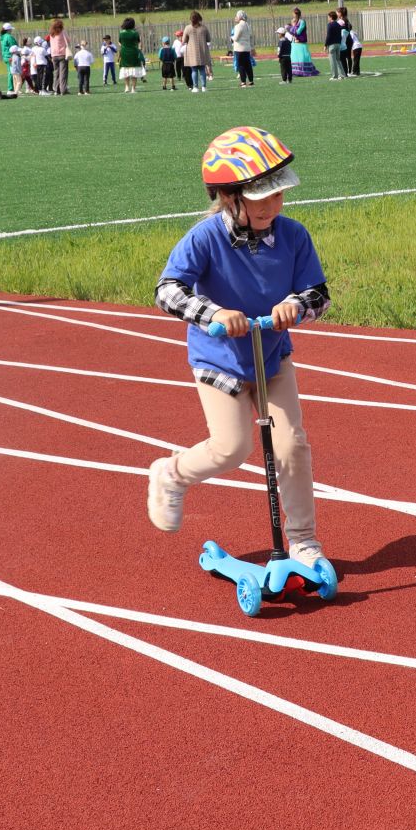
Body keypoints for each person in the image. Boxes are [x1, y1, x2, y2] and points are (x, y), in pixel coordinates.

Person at [147, 126, 330, 576]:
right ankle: (171, 473)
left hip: (272, 358)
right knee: (231, 448)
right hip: (220, 363)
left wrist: (295, 305)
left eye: (278, 194)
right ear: (230, 198)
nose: (273, 205)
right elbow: (167, 290)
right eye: (260, 196)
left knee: (291, 446)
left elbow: (318, 292)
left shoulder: (293, 236)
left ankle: (304, 542)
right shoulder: (205, 238)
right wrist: (212, 313)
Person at [182, 11, 211, 92]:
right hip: (202, 51)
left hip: (191, 52)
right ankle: (204, 87)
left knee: (194, 70)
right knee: (202, 69)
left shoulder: (188, 28)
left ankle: (195, 87)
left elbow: (183, 40)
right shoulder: (204, 28)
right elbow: (209, 39)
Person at [117, 17, 146, 94]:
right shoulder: (135, 33)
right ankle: (133, 88)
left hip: (124, 53)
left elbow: (119, 43)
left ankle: (126, 87)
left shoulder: (121, 33)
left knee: (125, 69)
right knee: (134, 70)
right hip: (134, 52)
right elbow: (138, 42)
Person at [230, 10, 255, 87]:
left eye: (236, 16)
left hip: (239, 48)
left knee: (241, 65)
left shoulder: (238, 26)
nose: (235, 17)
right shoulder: (248, 25)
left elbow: (236, 38)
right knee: (248, 65)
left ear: (240, 17)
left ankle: (243, 82)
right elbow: (250, 36)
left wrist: (231, 37)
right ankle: (251, 81)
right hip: (247, 48)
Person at [48, 18, 70, 95]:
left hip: (54, 55)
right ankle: (63, 90)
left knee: (56, 73)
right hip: (62, 54)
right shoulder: (62, 32)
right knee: (63, 73)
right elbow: (68, 40)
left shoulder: (51, 33)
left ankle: (56, 90)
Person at [323, 10, 346, 80]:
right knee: (338, 60)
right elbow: (340, 35)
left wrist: (325, 45)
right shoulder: (339, 25)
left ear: (331, 17)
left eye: (328, 17)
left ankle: (334, 76)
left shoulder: (330, 25)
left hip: (332, 45)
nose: (328, 18)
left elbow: (328, 36)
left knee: (332, 61)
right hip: (338, 44)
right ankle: (342, 75)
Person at [340, 6, 363, 77]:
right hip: (359, 46)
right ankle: (357, 71)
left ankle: (354, 71)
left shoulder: (349, 33)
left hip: (356, 47)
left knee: (355, 60)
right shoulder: (353, 32)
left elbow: (350, 40)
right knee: (356, 60)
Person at [0, 22, 19, 92]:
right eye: (10, 29)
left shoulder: (2, 37)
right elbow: (14, 46)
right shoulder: (9, 37)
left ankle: (13, 88)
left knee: (11, 72)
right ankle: (10, 88)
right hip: (10, 56)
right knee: (12, 72)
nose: (11, 30)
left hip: (5, 56)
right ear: (8, 30)